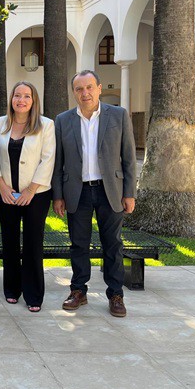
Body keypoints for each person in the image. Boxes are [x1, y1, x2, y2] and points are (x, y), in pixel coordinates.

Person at [52, 70, 137, 318]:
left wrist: (129, 192)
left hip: (110, 190)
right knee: (78, 244)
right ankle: (79, 290)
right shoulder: (63, 120)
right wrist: (58, 195)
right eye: (79, 89)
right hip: (76, 192)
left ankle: (116, 294)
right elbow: (58, 162)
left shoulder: (118, 115)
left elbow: (129, 157)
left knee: (113, 245)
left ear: (99, 88)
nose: (85, 93)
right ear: (74, 92)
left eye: (89, 87)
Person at [0, 82, 54, 313]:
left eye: (27, 96)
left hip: (36, 195)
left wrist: (30, 191)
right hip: (5, 193)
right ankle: (12, 289)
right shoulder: (0, 123)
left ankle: (34, 293)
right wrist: (2, 186)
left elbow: (48, 160)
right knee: (9, 241)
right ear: (11, 99)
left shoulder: (46, 125)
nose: (21, 100)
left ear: (33, 100)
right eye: (17, 95)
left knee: (33, 243)